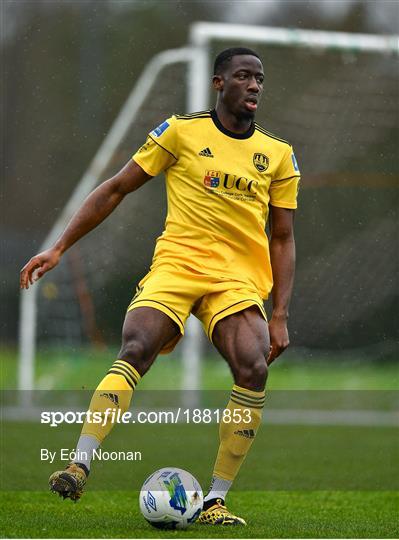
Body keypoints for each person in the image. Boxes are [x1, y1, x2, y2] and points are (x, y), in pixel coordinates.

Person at [20, 47, 300, 526]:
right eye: (243, 76)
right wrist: (60, 247)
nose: (253, 86)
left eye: (259, 78)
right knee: (136, 345)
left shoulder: (277, 154)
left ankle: (214, 501)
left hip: (236, 278)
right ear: (219, 83)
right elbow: (116, 188)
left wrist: (279, 313)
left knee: (254, 368)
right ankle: (78, 464)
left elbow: (283, 237)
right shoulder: (181, 131)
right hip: (177, 264)